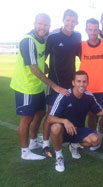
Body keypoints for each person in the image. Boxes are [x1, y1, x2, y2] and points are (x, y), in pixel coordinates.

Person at [10, 13, 67, 160]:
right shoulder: (28, 41)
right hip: (26, 87)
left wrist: (45, 65)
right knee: (26, 119)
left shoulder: (43, 38)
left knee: (40, 113)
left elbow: (40, 58)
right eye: (40, 24)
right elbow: (33, 68)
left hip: (38, 87)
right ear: (34, 23)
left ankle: (34, 142)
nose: (43, 27)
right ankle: (25, 152)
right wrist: (53, 85)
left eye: (46, 24)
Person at [47, 71, 103, 172]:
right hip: (63, 130)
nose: (81, 84)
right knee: (55, 127)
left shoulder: (89, 96)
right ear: (73, 83)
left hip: (78, 129)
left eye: (84, 81)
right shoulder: (64, 95)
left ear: (88, 83)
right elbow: (49, 118)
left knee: (96, 140)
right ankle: (59, 157)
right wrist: (65, 121)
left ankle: (74, 145)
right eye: (78, 81)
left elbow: (99, 112)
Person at [43, 9, 81, 156]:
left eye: (73, 21)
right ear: (63, 20)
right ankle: (46, 144)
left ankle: (72, 142)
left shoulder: (77, 36)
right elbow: (43, 56)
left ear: (77, 22)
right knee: (51, 113)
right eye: (68, 20)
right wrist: (44, 67)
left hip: (71, 83)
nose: (70, 23)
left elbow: (81, 55)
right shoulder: (53, 36)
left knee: (71, 112)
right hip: (55, 83)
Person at [79, 18, 103, 151]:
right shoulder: (80, 45)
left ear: (99, 30)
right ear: (86, 30)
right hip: (88, 88)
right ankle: (92, 136)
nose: (93, 32)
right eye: (90, 29)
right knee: (91, 115)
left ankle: (100, 135)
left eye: (95, 29)